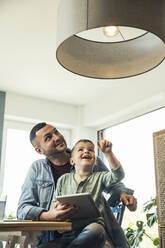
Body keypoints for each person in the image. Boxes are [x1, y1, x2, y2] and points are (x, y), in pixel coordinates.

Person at [17, 122, 137, 246]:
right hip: (56, 235)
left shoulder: (89, 160)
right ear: (39, 150)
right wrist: (48, 215)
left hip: (91, 231)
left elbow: (113, 182)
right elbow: (22, 209)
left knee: (95, 232)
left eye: (56, 132)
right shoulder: (37, 169)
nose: (57, 137)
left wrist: (123, 193)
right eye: (48, 138)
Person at [52, 138, 125, 248]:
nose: (86, 151)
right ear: (72, 161)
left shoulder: (100, 177)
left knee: (96, 230)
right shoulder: (63, 179)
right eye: (80, 149)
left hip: (93, 229)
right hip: (69, 231)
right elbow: (54, 204)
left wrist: (108, 153)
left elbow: (118, 175)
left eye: (91, 150)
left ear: (95, 160)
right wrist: (58, 209)